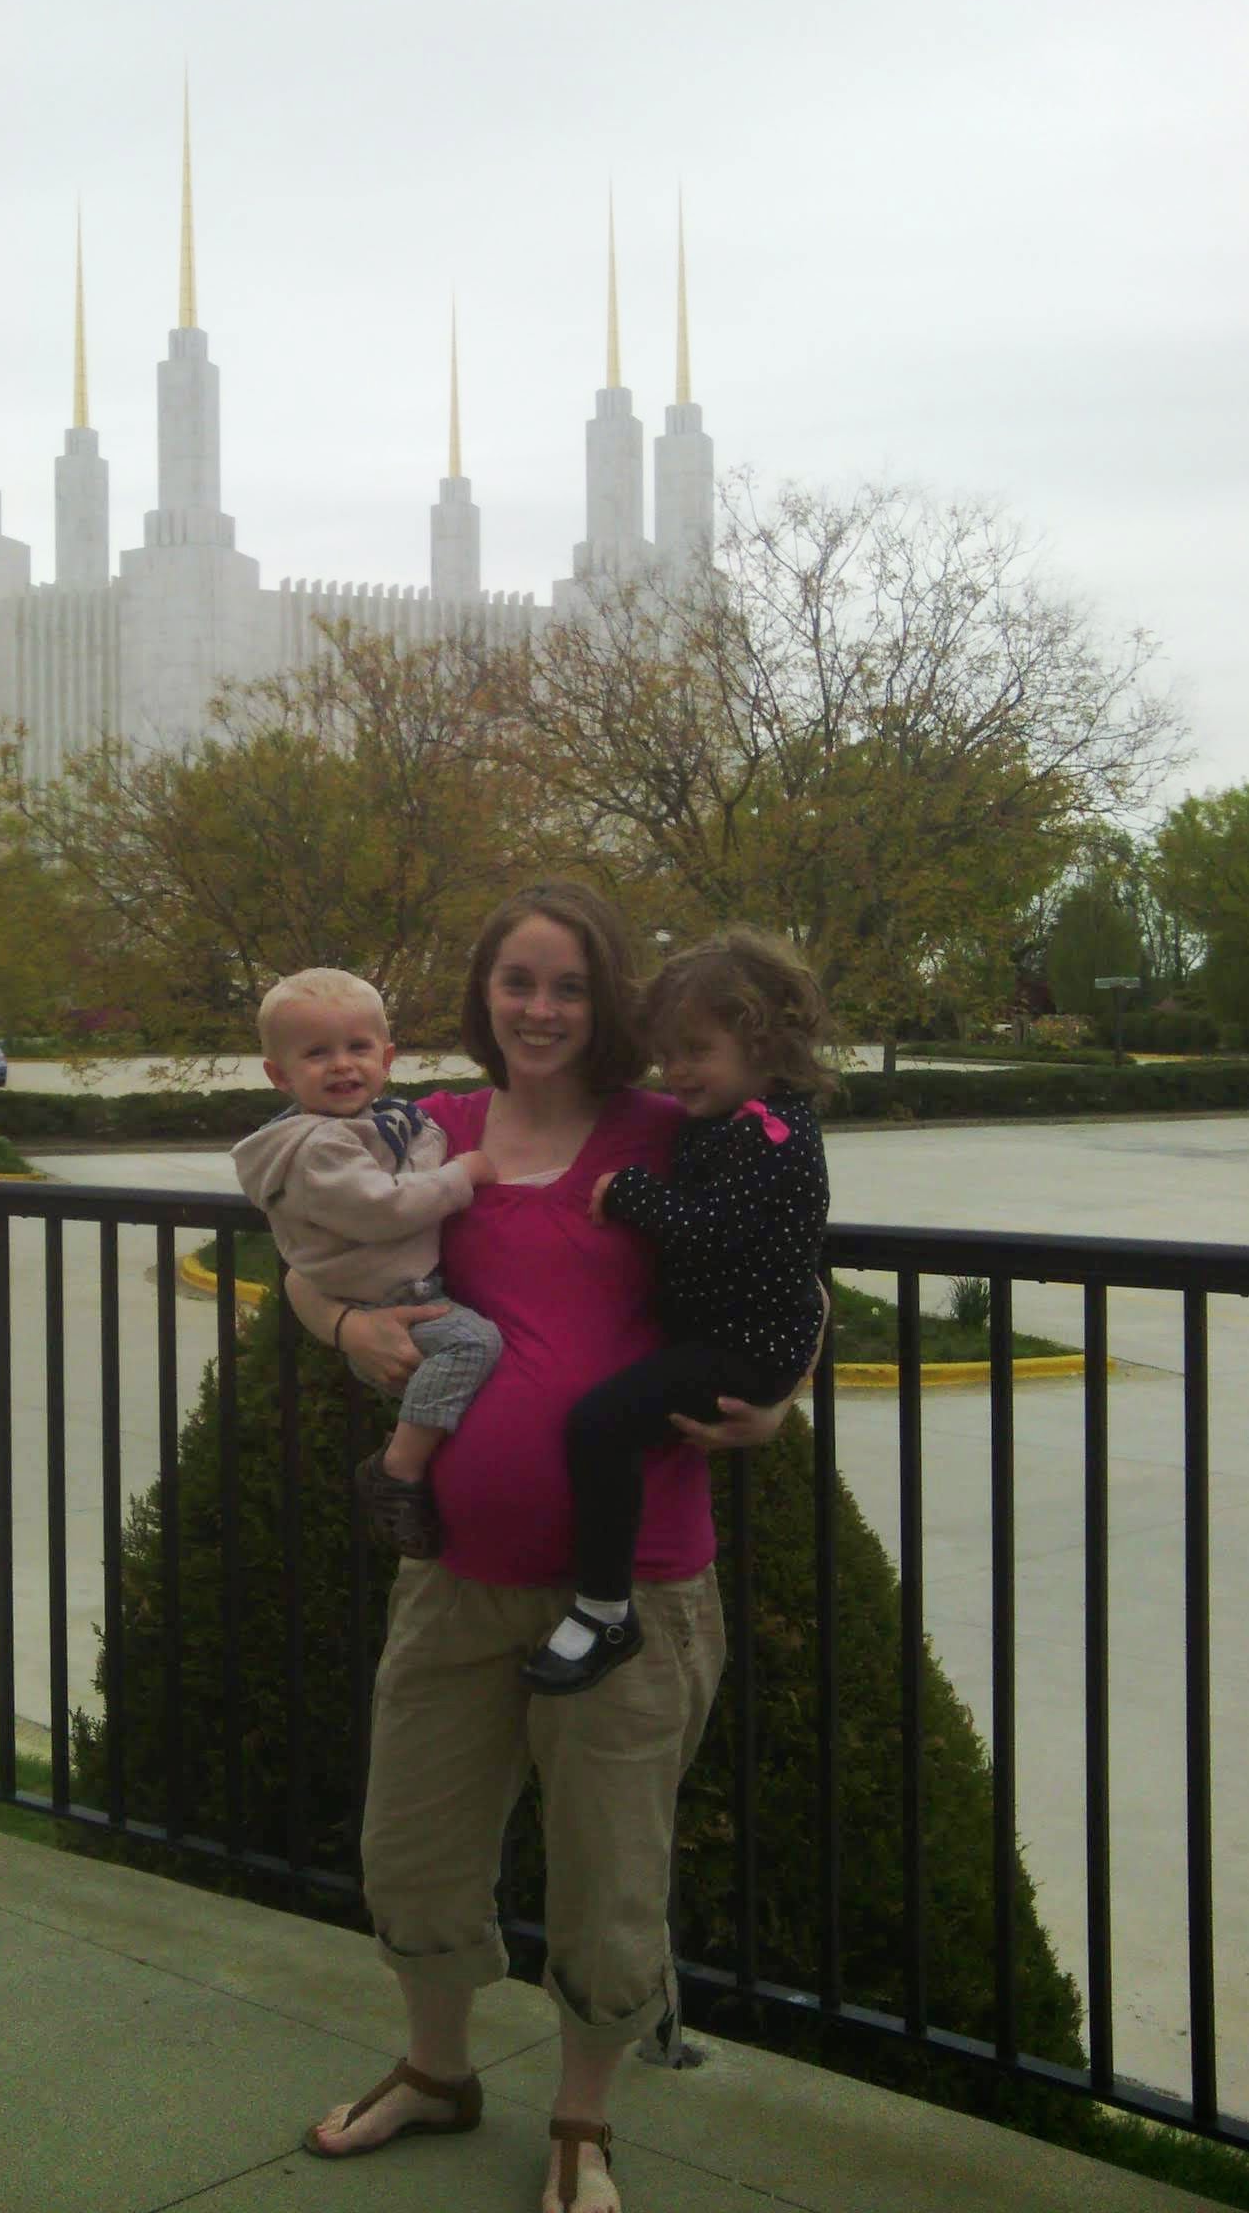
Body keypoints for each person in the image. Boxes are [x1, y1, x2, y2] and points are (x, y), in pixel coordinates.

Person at [287, 882, 810, 2213]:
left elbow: (792, 1267)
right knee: (413, 1844)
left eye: (569, 985)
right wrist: (344, 1332)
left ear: (611, 1000)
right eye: (518, 980)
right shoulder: (426, 1128)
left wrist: (785, 1393)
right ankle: (438, 2072)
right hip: (457, 1571)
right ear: (485, 994)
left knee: (611, 1874)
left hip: (633, 1585)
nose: (540, 1008)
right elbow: (307, 1250)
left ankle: (583, 2121)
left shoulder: (667, 1127)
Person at [522, 928, 832, 1698]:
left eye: (696, 1050)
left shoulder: (771, 1135)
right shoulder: (735, 1122)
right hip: (730, 1337)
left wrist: (630, 1191)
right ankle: (601, 1602)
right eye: (669, 1052)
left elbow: (713, 1228)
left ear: (766, 1043)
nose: (677, 1071)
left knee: (599, 1424)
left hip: (743, 1347)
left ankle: (603, 1609)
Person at [233, 968, 500, 1558]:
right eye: (317, 1053)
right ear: (279, 1075)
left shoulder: (387, 1122)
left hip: (395, 1293)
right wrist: (465, 1175)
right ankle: (398, 1469)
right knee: (474, 1345)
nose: (341, 1065)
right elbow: (382, 1208)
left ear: (387, 1057)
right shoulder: (320, 1146)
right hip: (383, 1301)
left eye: (357, 1047)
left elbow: (412, 1156)